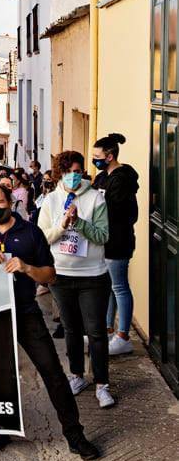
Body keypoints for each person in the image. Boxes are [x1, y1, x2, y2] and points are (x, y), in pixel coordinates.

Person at [0, 184, 100, 460]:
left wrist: (27, 268)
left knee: (52, 372)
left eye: (1, 202)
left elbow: (50, 275)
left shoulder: (31, 232)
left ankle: (75, 435)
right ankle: (0, 429)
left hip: (25, 312)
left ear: (10, 201)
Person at [38, 151, 114, 408]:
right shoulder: (51, 200)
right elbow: (42, 237)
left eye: (78, 171)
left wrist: (79, 222)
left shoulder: (95, 198)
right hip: (61, 276)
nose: (74, 176)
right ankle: (77, 375)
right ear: (60, 173)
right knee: (70, 329)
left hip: (92, 276)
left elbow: (103, 236)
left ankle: (102, 384)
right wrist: (62, 225)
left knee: (96, 331)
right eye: (69, 172)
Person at [92, 133, 139, 356]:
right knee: (108, 287)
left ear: (109, 156)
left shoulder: (122, 180)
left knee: (119, 287)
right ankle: (108, 329)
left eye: (97, 157)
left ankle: (123, 337)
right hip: (104, 241)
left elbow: (114, 212)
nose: (94, 160)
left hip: (118, 242)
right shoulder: (103, 177)